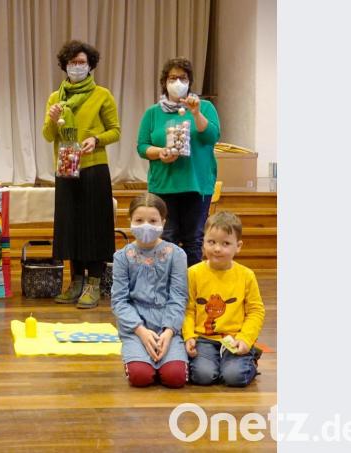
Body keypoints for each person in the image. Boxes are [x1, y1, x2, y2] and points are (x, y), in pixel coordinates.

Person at [43, 40, 121, 309]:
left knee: (95, 226)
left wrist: (96, 140)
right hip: (66, 167)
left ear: (90, 65)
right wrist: (53, 120)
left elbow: (115, 130)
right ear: (65, 65)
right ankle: (75, 282)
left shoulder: (102, 95)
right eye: (73, 62)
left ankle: (94, 284)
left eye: (82, 62)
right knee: (71, 227)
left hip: (94, 167)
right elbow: (47, 135)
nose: (77, 66)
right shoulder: (56, 98)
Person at [137, 57, 221, 267]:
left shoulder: (205, 107)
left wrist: (196, 112)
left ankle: (191, 290)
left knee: (194, 240)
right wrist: (161, 152)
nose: (177, 82)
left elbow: (212, 136)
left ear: (190, 81)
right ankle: (168, 290)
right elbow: (142, 146)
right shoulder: (152, 113)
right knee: (167, 239)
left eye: (182, 78)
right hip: (163, 186)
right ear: (164, 81)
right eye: (172, 78)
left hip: (196, 185)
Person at [110, 193, 188, 388]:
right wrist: (141, 331)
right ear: (130, 221)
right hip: (136, 327)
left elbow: (179, 297)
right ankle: (139, 358)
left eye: (153, 220)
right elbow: (119, 301)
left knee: (175, 377)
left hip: (167, 325)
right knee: (140, 377)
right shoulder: (121, 257)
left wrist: (169, 332)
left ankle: (168, 359)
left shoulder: (177, 255)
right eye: (139, 220)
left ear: (163, 221)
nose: (146, 225)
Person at [183, 211, 265, 387]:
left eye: (226, 243)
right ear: (203, 242)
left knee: (234, 377)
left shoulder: (246, 275)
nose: (217, 249)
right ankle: (219, 364)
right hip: (203, 339)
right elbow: (188, 309)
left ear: (239, 246)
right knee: (202, 376)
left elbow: (256, 311)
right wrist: (188, 335)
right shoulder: (193, 273)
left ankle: (249, 360)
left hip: (234, 339)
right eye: (211, 242)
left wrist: (245, 338)